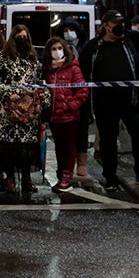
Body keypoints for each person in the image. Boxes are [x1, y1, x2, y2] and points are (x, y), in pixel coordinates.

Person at [78, 10, 139, 191]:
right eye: (115, 23)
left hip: (132, 102)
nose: (119, 27)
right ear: (105, 26)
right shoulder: (93, 48)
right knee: (108, 142)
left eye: (121, 23)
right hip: (105, 105)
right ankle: (110, 177)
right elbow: (83, 73)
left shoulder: (131, 40)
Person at [0, 25, 50, 198]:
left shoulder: (33, 59)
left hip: (28, 112)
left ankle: (26, 179)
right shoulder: (2, 58)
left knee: (27, 149)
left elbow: (40, 80)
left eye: (25, 37)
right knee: (8, 148)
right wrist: (9, 94)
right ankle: (9, 178)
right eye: (19, 37)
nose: (22, 40)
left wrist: (43, 95)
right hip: (8, 111)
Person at [42, 36, 88, 190]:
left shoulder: (73, 68)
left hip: (69, 116)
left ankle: (67, 176)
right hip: (54, 116)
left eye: (59, 48)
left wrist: (71, 105)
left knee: (69, 146)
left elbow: (82, 91)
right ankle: (61, 175)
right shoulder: (48, 70)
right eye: (53, 49)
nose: (57, 52)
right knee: (59, 147)